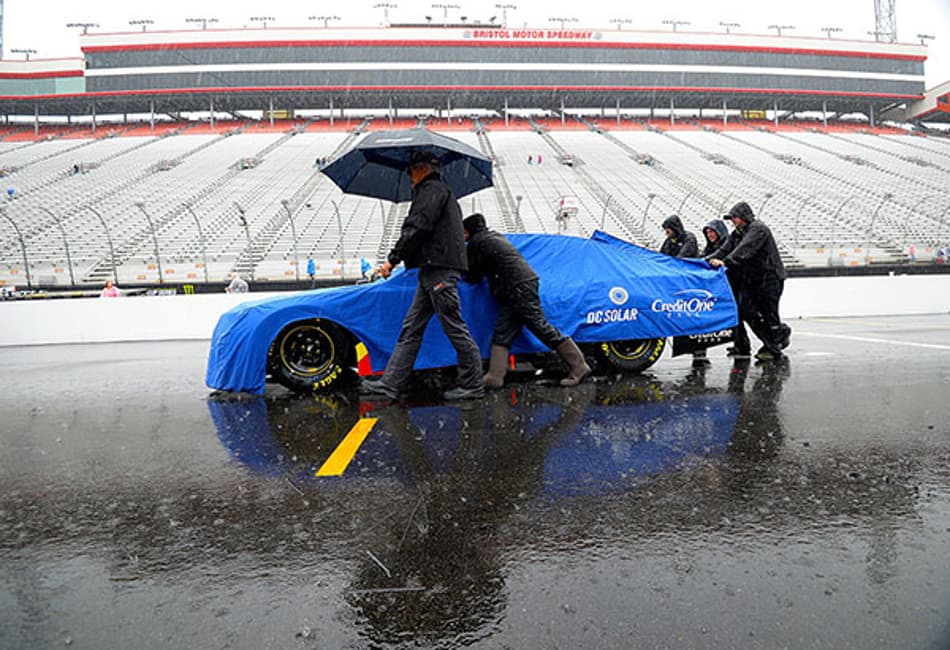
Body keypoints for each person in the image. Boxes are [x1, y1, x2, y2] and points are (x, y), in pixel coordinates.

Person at [360, 151, 485, 401]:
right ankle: (391, 384)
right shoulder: (438, 191)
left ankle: (473, 384)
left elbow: (417, 227)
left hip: (439, 268)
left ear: (421, 169)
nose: (409, 177)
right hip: (433, 269)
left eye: (410, 171)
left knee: (453, 326)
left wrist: (392, 259)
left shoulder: (432, 191)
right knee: (412, 328)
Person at [461, 213, 591, 388]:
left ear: (468, 231)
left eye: (463, 233)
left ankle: (579, 366)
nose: (463, 237)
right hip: (519, 286)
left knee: (540, 326)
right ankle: (495, 377)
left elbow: (473, 276)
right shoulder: (493, 237)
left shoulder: (477, 243)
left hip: (517, 287)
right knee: (503, 331)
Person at [707, 202, 790, 362]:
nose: (733, 221)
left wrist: (725, 262)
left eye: (735, 217)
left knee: (769, 314)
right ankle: (780, 335)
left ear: (744, 216)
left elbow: (745, 249)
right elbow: (724, 249)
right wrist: (704, 262)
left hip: (770, 278)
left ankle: (773, 349)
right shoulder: (738, 232)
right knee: (747, 311)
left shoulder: (758, 229)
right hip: (754, 280)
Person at [703, 219, 751, 357]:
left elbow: (732, 260)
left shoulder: (728, 244)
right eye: (707, 232)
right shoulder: (710, 247)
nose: (710, 234)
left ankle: (744, 345)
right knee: (734, 316)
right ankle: (739, 344)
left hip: (736, 284)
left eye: (712, 231)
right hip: (725, 286)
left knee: (741, 315)